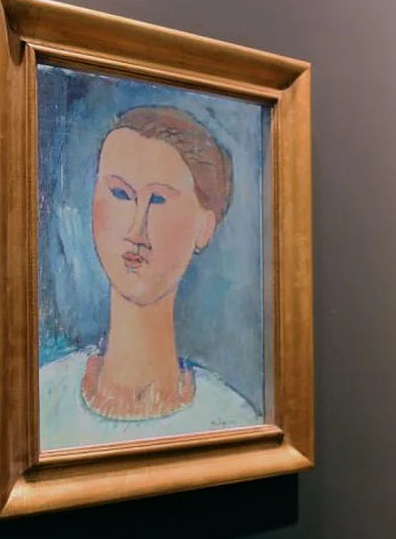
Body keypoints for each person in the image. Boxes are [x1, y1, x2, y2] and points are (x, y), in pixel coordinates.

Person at [39, 106, 262, 452]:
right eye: (120, 194)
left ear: (205, 227)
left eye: (158, 200)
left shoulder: (232, 421)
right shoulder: (43, 398)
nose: (136, 229)